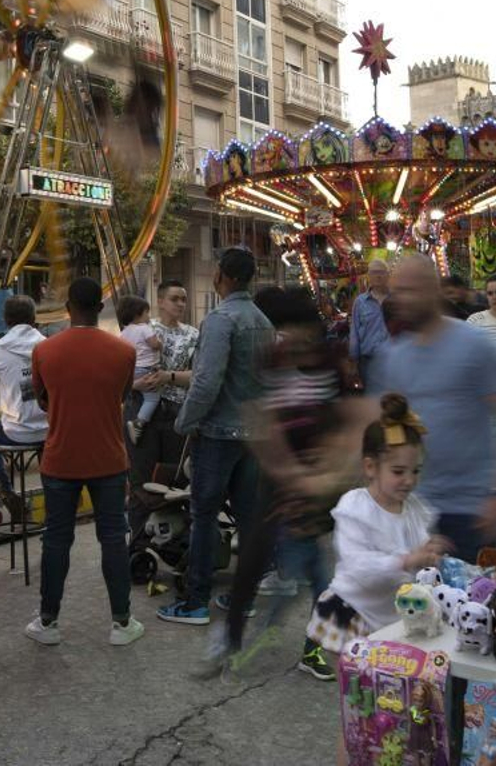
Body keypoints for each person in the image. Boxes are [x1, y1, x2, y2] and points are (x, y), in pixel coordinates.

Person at [231, 286, 374, 681]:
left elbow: (352, 414)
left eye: (291, 329)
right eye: (280, 331)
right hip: (286, 483)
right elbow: (264, 420)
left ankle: (314, 647)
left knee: (321, 576)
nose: (287, 338)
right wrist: (289, 472)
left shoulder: (332, 359)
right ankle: (241, 640)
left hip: (325, 483)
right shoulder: (273, 359)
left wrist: (331, 470)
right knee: (294, 572)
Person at [368, 257, 496, 562]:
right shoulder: (391, 356)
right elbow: (383, 429)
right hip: (411, 505)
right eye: (396, 291)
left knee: (468, 602)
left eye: (409, 290)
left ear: (432, 290)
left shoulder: (474, 345)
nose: (401, 300)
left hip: (469, 509)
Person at [158, 248, 275, 626]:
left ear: (220, 275)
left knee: (204, 514)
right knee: (247, 515)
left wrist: (185, 421)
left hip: (220, 434)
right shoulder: (262, 321)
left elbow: (206, 381)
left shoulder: (220, 320)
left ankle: (195, 600)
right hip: (254, 434)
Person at [23, 277, 142, 647]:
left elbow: (43, 400)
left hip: (60, 459)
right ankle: (121, 622)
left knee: (56, 540)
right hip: (108, 457)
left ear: (69, 307)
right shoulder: (123, 352)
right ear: (100, 307)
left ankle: (48, 621)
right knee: (113, 539)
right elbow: (122, 397)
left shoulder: (44, 351)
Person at [305, 397, 447, 657]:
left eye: (416, 471)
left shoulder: (415, 508)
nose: (409, 480)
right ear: (370, 467)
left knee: (394, 688)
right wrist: (405, 561)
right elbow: (359, 566)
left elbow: (418, 560)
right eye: (398, 471)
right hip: (355, 612)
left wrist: (430, 554)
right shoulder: (355, 508)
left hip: (396, 613)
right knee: (360, 691)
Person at [128, 281, 198, 541]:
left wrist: (169, 377)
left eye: (183, 299)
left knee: (174, 479)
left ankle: (174, 541)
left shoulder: (193, 334)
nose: (180, 304)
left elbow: (199, 375)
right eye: (174, 299)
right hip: (143, 409)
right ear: (160, 301)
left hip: (177, 412)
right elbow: (122, 369)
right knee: (141, 479)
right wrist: (135, 384)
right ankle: (137, 543)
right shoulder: (143, 330)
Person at [0, 295, 47, 521]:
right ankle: (53, 495)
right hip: (48, 432)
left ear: (6, 320)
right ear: (34, 319)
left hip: (15, 432)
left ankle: (8, 493)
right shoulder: (47, 345)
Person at [118, 295, 164, 430]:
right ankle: (139, 423)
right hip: (147, 369)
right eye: (146, 313)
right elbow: (154, 344)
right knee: (152, 398)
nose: (148, 317)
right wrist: (161, 344)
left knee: (140, 397)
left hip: (132, 370)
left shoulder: (124, 332)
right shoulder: (144, 328)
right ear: (138, 313)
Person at [347, 269, 391, 387]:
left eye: (381, 272)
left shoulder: (394, 300)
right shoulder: (360, 302)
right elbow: (355, 332)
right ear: (369, 276)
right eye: (374, 272)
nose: (378, 276)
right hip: (368, 361)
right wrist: (353, 362)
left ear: (387, 275)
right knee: (371, 396)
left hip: (393, 359)